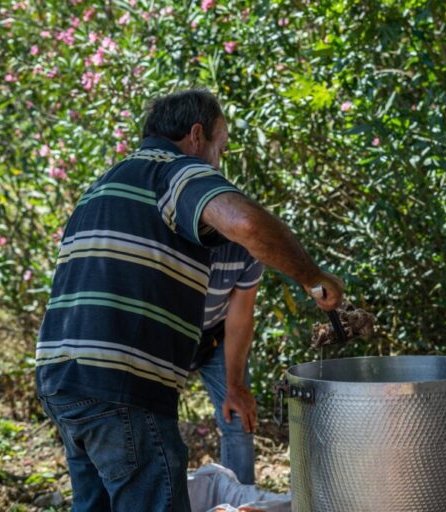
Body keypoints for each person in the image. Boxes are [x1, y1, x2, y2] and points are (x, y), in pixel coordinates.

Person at [35, 88, 343, 512]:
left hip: (61, 379)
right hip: (122, 386)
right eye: (221, 146)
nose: (219, 160)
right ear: (197, 136)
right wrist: (313, 277)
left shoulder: (104, 185)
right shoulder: (177, 172)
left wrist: (234, 384)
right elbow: (249, 224)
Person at [191, 241, 263, 485]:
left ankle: (240, 500)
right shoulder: (170, 237)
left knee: (239, 417)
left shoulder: (248, 245)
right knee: (154, 424)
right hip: (165, 335)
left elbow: (241, 316)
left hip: (216, 335)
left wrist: (235, 386)